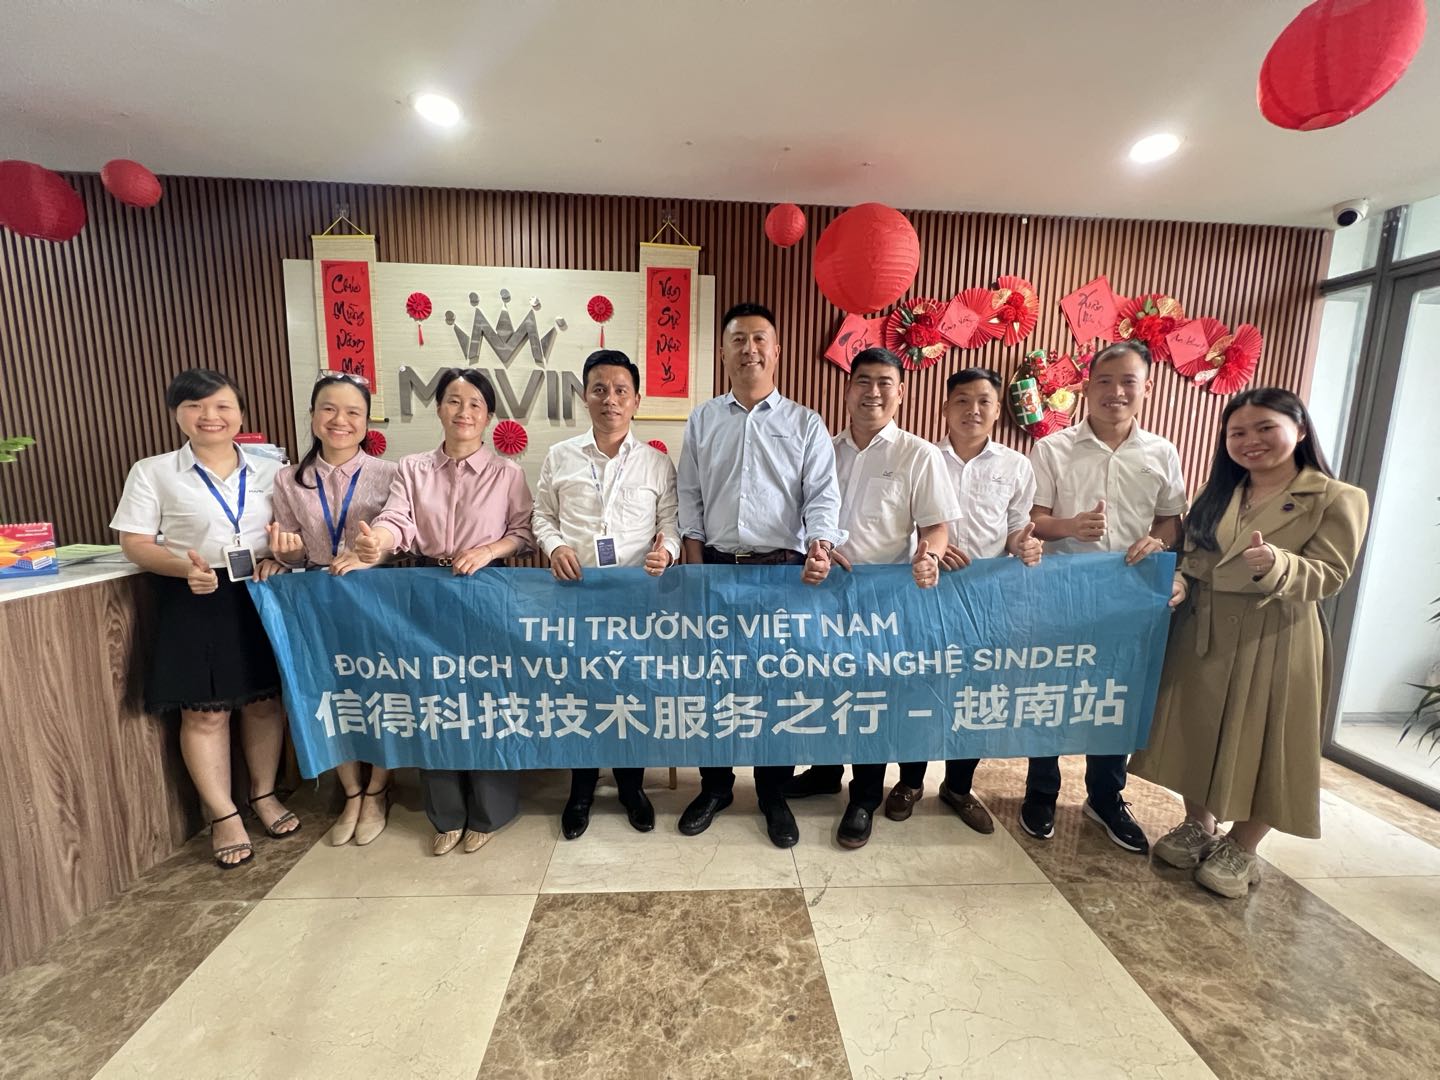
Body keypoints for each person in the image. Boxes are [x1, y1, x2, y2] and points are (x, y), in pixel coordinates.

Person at [1132, 387, 1368, 898]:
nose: (1250, 441)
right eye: (1237, 432)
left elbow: (1332, 574)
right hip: (1203, 627)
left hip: (1276, 632)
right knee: (1197, 728)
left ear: (1299, 430)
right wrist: (1181, 580)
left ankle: (1243, 845)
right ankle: (1198, 823)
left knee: (1267, 739)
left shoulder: (1337, 497)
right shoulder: (1216, 492)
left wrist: (1280, 564)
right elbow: (1194, 556)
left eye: (1265, 428)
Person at [111, 369, 300, 870]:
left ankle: (263, 794)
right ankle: (223, 815)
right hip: (194, 592)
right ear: (177, 414)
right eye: (195, 406)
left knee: (264, 703)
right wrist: (183, 569)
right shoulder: (153, 472)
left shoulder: (273, 471)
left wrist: (283, 555)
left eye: (221, 406)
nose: (209, 416)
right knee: (204, 712)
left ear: (240, 413)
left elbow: (294, 534)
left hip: (259, 592)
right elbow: (135, 542)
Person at [675, 301, 845, 848]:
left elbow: (822, 496)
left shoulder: (805, 423)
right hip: (716, 568)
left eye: (759, 339)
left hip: (782, 574)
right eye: (738, 339)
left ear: (776, 351)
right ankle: (716, 787)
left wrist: (821, 545)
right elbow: (689, 497)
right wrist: (695, 566)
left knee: (776, 683)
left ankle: (773, 792)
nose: (749, 349)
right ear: (723, 352)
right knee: (714, 683)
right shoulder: (703, 419)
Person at [351, 367, 535, 856]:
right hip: (426, 590)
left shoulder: (508, 473)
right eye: (454, 401)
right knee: (434, 698)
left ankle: (490, 811)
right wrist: (377, 542)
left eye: (475, 404)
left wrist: (489, 550)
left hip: (487, 591)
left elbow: (524, 534)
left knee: (488, 700)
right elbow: (396, 520)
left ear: (489, 416)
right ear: (438, 408)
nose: (464, 412)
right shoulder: (412, 469)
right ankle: (446, 813)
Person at [783, 347, 956, 848]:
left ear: (900, 393)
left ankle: (863, 797)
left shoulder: (918, 455)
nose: (873, 392)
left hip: (882, 603)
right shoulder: (822, 449)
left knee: (870, 697)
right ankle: (823, 773)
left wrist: (930, 554)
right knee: (821, 688)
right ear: (847, 388)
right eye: (863, 381)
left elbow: (937, 528)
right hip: (818, 594)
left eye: (884, 383)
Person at [1025, 340, 1185, 853]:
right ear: (1086, 387)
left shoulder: (1161, 452)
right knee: (1051, 694)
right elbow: (1033, 521)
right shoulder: (1052, 448)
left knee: (1115, 697)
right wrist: (1070, 526)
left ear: (1146, 389)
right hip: (1062, 594)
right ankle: (1041, 792)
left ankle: (1106, 796)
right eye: (1104, 381)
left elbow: (1171, 520)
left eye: (1128, 382)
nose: (1115, 392)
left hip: (1130, 596)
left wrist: (1158, 541)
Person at [532, 349, 680, 840]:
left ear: (636, 400)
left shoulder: (657, 463)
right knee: (581, 691)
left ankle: (631, 788)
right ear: (585, 397)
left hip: (636, 601)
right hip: (576, 596)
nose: (610, 399)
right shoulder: (560, 456)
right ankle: (580, 790)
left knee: (631, 691)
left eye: (620, 390)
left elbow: (672, 523)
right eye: (599, 389)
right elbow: (541, 516)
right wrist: (554, 547)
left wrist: (667, 552)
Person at [892, 367, 1042, 833]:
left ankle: (958, 786)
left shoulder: (1016, 465)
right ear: (945, 407)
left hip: (986, 598)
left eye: (983, 402)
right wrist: (934, 548)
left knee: (975, 693)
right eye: (961, 400)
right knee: (920, 687)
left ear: (997, 410)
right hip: (927, 591)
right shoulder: (921, 457)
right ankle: (909, 782)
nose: (972, 410)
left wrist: (1023, 544)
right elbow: (908, 522)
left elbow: (1016, 527)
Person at [264, 372, 400, 847]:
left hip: (376, 597)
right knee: (332, 692)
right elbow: (292, 549)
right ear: (312, 416)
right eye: (329, 409)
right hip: (318, 601)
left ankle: (378, 789)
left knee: (382, 691)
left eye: (353, 412)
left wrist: (375, 551)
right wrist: (284, 555)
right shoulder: (288, 479)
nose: (340, 420)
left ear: (367, 422)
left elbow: (402, 536)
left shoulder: (391, 473)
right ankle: (351, 792)